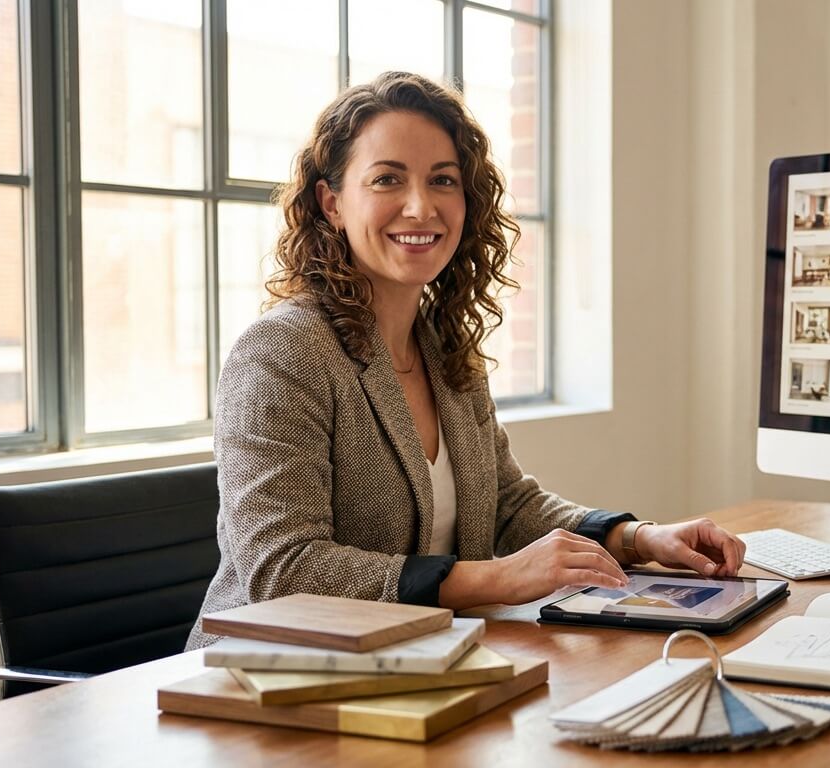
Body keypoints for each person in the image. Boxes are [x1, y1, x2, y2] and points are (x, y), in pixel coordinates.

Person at [186, 73, 746, 649]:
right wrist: (497, 578)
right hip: (262, 682)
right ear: (332, 203)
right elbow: (284, 574)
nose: (420, 206)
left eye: (443, 181)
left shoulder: (445, 349)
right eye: (387, 179)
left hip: (419, 661)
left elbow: (507, 503)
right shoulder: (282, 353)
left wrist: (638, 539)